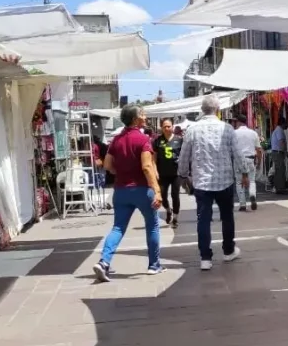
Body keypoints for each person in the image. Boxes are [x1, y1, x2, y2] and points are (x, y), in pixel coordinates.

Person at [93, 105, 163, 282]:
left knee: (118, 227)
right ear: (135, 119)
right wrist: (157, 191)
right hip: (141, 189)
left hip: (121, 191)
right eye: (142, 114)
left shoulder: (116, 140)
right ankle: (154, 265)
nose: (145, 117)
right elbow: (147, 166)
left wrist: (121, 173)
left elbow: (108, 165)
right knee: (152, 226)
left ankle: (104, 262)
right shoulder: (143, 140)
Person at [178, 95, 248, 271]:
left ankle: (205, 258)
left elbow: (184, 157)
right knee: (227, 217)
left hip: (201, 182)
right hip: (224, 180)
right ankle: (228, 250)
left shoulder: (192, 130)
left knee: (203, 220)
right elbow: (238, 154)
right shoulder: (227, 128)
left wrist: (183, 175)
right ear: (217, 110)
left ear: (202, 110)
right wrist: (245, 172)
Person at [152, 118, 183, 229]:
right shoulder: (157, 141)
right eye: (164, 126)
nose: (167, 128)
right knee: (163, 196)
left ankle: (175, 218)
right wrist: (154, 170)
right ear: (162, 128)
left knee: (175, 195)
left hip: (176, 173)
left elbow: (184, 155)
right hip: (163, 173)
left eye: (169, 126)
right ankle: (168, 210)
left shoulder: (179, 140)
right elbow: (154, 158)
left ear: (172, 127)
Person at [232, 117, 261, 212]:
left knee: (239, 182)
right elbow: (258, 149)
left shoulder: (234, 133)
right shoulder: (253, 133)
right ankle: (252, 195)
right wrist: (259, 161)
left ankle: (242, 204)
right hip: (250, 159)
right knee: (252, 180)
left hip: (238, 160)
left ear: (238, 122)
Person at [270, 118, 288, 194]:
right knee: (280, 170)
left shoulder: (278, 130)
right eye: (286, 124)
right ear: (283, 123)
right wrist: (285, 151)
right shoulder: (279, 130)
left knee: (279, 170)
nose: (287, 126)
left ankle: (279, 187)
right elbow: (281, 142)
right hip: (278, 152)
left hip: (277, 152)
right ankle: (280, 188)